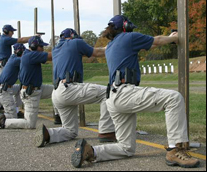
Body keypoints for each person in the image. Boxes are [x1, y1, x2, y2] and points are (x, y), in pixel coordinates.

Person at [70, 15, 200, 168]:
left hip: (112, 97)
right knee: (174, 98)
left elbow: (145, 45)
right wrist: (174, 37)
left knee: (126, 148)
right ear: (125, 26)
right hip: (125, 93)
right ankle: (174, 149)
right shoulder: (129, 37)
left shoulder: (111, 46)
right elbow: (156, 41)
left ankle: (91, 151)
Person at [32, 28, 116, 148]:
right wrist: (116, 45)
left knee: (70, 131)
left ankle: (48, 134)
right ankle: (106, 131)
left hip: (57, 93)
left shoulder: (56, 49)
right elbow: (97, 52)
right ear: (72, 36)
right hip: (69, 88)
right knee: (107, 92)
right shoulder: (76, 42)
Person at [0, 36, 58, 130]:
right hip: (30, 92)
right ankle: (3, 121)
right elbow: (52, 56)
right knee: (29, 124)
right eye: (41, 46)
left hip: (34, 88)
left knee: (57, 91)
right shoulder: (29, 56)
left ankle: (58, 116)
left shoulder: (26, 56)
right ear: (34, 46)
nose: (43, 48)